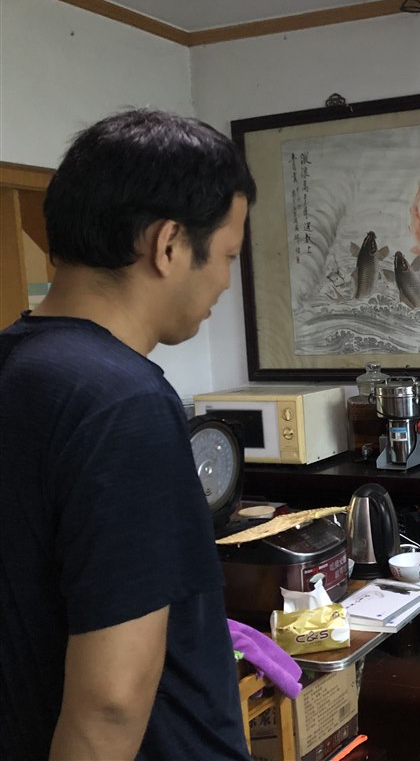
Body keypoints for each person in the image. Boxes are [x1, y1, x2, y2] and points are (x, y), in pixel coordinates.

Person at [0, 108, 257, 760]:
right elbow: (111, 702)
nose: (225, 281)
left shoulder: (18, 366)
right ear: (169, 245)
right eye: (228, 256)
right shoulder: (124, 401)